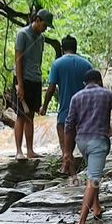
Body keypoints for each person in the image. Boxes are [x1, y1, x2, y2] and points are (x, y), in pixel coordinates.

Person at [63, 68, 112, 224]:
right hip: (98, 141)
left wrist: (67, 152)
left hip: (81, 141)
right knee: (93, 179)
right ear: (100, 81)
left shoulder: (76, 97)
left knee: (92, 173)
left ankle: (96, 207)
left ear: (85, 84)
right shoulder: (107, 94)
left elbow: (69, 125)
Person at [41, 35, 93, 174]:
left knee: (63, 132)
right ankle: (78, 166)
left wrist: (44, 106)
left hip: (65, 110)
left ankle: (66, 162)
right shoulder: (86, 64)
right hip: (84, 110)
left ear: (63, 49)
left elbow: (51, 88)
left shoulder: (57, 64)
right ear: (75, 48)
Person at [13, 8, 53, 160]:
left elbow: (39, 59)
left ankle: (30, 150)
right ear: (36, 20)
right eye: (44, 25)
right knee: (21, 115)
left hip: (35, 79)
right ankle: (19, 151)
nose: (45, 28)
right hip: (23, 79)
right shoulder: (22, 34)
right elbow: (18, 60)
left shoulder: (41, 38)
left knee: (31, 116)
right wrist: (20, 84)